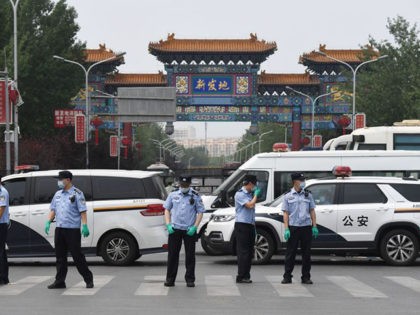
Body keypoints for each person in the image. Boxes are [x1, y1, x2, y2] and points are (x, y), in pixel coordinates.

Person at [45, 171, 94, 289]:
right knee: (60, 257)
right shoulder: (57, 194)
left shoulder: (77, 193)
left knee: (77, 256)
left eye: (61, 179)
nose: (59, 182)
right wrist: (48, 222)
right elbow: (53, 210)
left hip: (72, 230)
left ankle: (88, 279)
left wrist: (85, 225)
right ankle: (60, 281)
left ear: (68, 180)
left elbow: (82, 211)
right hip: (60, 229)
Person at [164, 176, 205, 288]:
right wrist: (168, 224)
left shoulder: (195, 196)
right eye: (182, 185)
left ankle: (190, 279)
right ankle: (170, 279)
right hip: (175, 229)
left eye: (186, 186)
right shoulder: (173, 195)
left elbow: (200, 212)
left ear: (189, 185)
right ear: (179, 184)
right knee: (172, 255)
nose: (184, 187)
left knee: (190, 256)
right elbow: (167, 209)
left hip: (189, 230)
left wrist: (195, 227)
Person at [282, 173, 318, 285]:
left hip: (306, 227)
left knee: (306, 254)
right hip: (293, 228)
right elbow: (286, 213)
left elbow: (312, 210)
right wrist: (286, 228)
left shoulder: (308, 195)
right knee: (290, 253)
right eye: (301, 180)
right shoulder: (288, 196)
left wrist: (314, 226)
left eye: (303, 180)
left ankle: (306, 277)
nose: (303, 182)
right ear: (295, 181)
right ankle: (287, 276)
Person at [234, 174, 261, 284]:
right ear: (250, 184)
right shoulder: (240, 194)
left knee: (250, 252)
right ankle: (241, 276)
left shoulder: (250, 193)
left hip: (250, 225)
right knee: (243, 252)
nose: (255, 187)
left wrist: (253, 226)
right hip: (242, 225)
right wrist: (256, 196)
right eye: (254, 184)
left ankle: (246, 275)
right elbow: (250, 205)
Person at [0, 181, 10, 286]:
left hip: (1, 224)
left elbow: (1, 209)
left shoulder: (2, 192)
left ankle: (3, 278)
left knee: (1, 252)